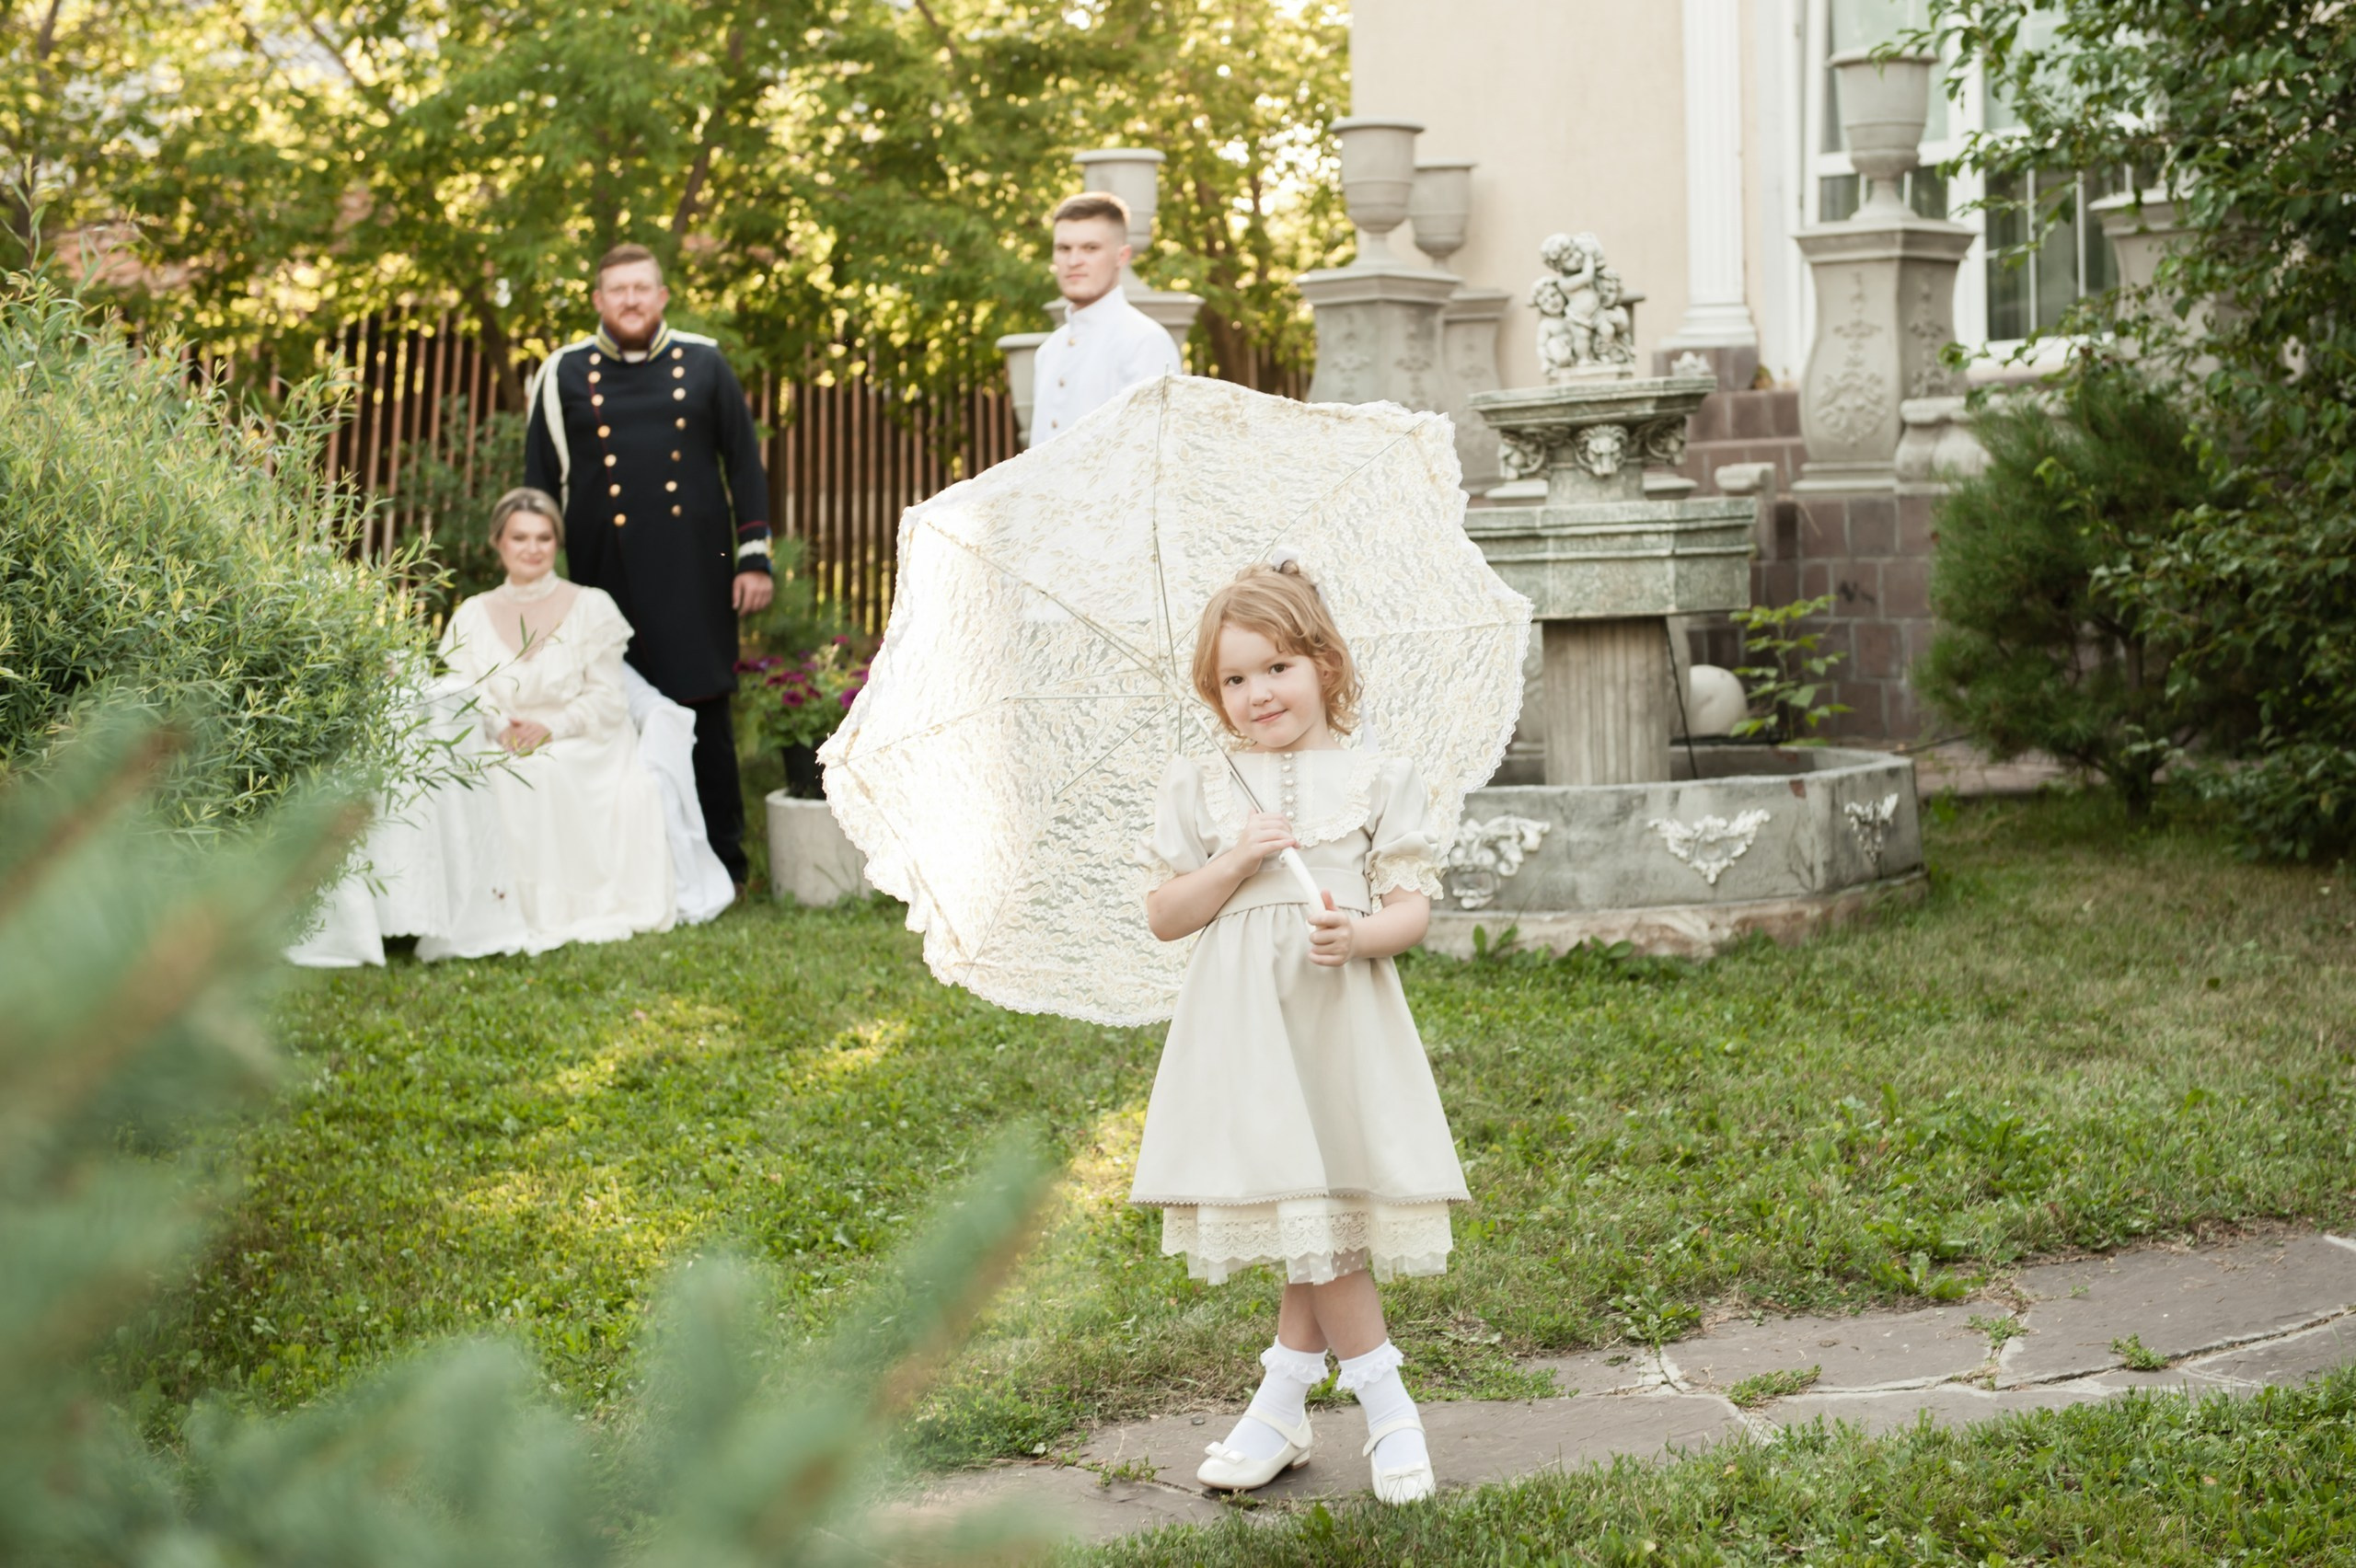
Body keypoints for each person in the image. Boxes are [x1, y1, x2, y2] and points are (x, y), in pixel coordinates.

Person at [1130, 560, 1462, 1505]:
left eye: (1274, 668)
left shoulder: (1377, 776)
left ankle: (1299, 1403)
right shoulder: (1203, 784)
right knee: (1306, 1219)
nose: (1256, 693)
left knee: (1322, 1219)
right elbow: (1165, 913)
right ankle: (1371, 1405)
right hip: (1245, 1032)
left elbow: (1410, 910)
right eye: (1233, 680)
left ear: (1323, 664)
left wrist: (1356, 934)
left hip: (1336, 1019)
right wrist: (1237, 856)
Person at [524, 243, 772, 890]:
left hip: (698, 569)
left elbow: (743, 466)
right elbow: (540, 486)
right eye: (618, 290)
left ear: (662, 296)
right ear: (598, 301)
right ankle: (628, 862)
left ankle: (726, 861)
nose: (631, 300)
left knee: (704, 706)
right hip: (602, 575)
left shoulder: (706, 362)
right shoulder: (562, 372)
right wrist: (540, 588)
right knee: (613, 709)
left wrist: (753, 559)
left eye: (642, 288)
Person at [431, 488, 680, 956]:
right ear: (498, 542)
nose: (532, 548)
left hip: (587, 738)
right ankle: (496, 907)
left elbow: (609, 699)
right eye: (520, 537)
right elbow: (463, 691)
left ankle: (557, 908)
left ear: (557, 544)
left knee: (543, 769)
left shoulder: (592, 607)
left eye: (544, 538)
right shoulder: (471, 615)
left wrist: (552, 728)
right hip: (500, 734)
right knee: (490, 771)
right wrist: (500, 725)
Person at [1029, 192, 1184, 444]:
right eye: (1064, 248)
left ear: (1121, 257)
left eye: (1090, 248)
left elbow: (1149, 457)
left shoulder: (1145, 341)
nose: (1074, 261)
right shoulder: (1049, 351)